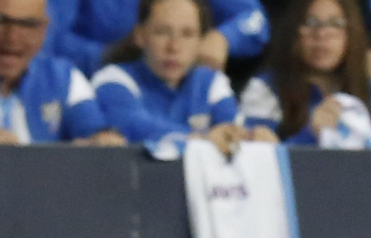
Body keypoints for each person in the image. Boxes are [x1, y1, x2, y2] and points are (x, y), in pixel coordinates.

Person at [240, 0, 371, 149]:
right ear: (293, 32)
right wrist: (309, 135)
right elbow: (261, 162)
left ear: (351, 34)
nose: (322, 35)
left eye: (335, 23)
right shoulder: (264, 89)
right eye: (310, 22)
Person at [91, 0, 266, 152]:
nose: (174, 47)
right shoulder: (112, 79)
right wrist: (204, 140)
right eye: (162, 32)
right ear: (140, 36)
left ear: (201, 41)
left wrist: (253, 137)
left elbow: (232, 131)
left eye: (187, 34)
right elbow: (132, 127)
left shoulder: (210, 82)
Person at [0, 0, 121, 143]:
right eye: (2, 21)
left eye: (28, 25)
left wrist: (102, 141)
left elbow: (92, 128)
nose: (12, 37)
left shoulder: (63, 77)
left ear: (44, 29)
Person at [66, 0, 268, 73]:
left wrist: (224, 38)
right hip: (95, 80)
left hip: (183, 86)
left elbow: (255, 19)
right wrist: (112, 55)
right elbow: (47, 37)